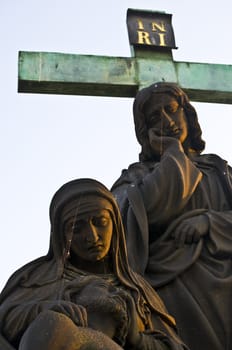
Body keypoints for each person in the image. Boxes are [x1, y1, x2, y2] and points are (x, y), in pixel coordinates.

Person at [111, 82, 232, 350]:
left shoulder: (219, 171)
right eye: (155, 117)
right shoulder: (134, 179)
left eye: (172, 109)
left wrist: (209, 222)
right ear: (145, 131)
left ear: (186, 113)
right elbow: (126, 224)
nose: (167, 120)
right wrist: (172, 153)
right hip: (172, 290)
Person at [0, 178, 188, 350]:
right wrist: (44, 308)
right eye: (76, 227)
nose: (92, 236)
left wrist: (136, 338)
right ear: (61, 236)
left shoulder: (137, 288)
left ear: (114, 224)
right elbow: (4, 320)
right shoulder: (36, 278)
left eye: (101, 222)